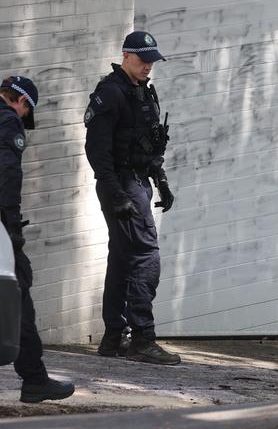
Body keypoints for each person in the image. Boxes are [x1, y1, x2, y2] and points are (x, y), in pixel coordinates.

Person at [84, 31, 180, 365]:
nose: (148, 66)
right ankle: (142, 339)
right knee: (145, 256)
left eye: (152, 60)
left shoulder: (142, 92)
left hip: (138, 182)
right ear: (126, 56)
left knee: (124, 257)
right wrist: (115, 192)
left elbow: (150, 143)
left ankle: (113, 338)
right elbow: (96, 150)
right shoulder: (110, 93)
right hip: (122, 184)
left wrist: (162, 180)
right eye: (142, 60)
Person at [0, 75, 75, 402]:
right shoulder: (8, 123)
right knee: (21, 293)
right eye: (26, 111)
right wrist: (12, 230)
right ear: (22, 103)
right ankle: (34, 379)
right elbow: (7, 177)